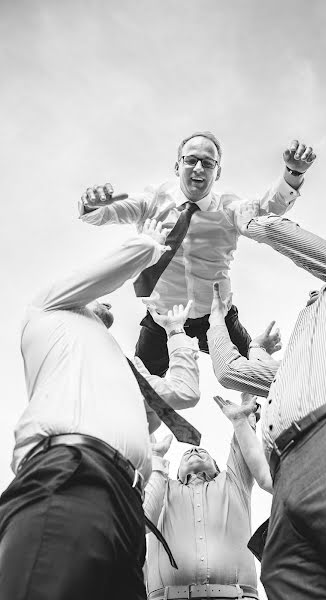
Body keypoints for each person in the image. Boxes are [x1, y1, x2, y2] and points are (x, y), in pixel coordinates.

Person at [0, 220, 201, 600]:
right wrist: (149, 244)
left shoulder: (129, 368)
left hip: (128, 502)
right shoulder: (49, 307)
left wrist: (176, 332)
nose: (107, 299)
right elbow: (107, 273)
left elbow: (183, 394)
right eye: (98, 296)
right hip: (71, 471)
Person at [212, 211, 326, 600]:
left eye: (319, 288)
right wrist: (219, 318)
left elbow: (288, 236)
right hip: (286, 479)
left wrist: (241, 217)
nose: (310, 296)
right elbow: (229, 371)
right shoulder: (293, 366)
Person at [79, 133, 315, 376]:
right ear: (177, 166)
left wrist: (292, 174)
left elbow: (267, 209)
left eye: (208, 162)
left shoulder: (228, 209)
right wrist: (93, 205)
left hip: (217, 318)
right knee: (142, 387)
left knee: (259, 373)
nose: (199, 168)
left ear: (218, 172)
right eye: (191, 160)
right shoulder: (152, 203)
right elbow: (105, 213)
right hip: (162, 319)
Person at [143, 396, 265, 600]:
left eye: (202, 452)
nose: (193, 450)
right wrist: (156, 457)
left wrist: (243, 421)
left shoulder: (233, 483)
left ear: (217, 467)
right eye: (187, 453)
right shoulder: (163, 488)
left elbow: (244, 447)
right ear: (176, 471)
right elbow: (143, 441)